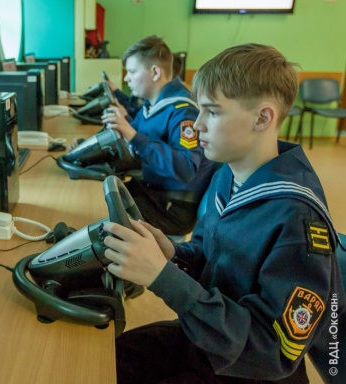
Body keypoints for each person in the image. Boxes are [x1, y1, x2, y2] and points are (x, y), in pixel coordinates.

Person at [103, 43, 346, 383]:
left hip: (245, 369)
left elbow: (273, 351)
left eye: (212, 112)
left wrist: (163, 277)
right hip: (209, 340)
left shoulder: (297, 219)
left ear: (263, 118)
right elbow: (209, 254)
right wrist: (173, 254)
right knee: (103, 359)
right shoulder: (228, 174)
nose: (197, 125)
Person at [102, 36, 215, 236]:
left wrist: (133, 135)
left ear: (155, 72)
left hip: (173, 208)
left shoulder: (183, 111)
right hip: (155, 193)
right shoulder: (151, 105)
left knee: (99, 213)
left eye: (132, 72)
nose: (127, 79)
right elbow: (133, 137)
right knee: (100, 191)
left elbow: (186, 168)